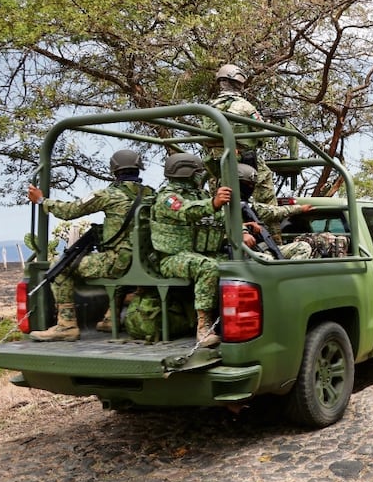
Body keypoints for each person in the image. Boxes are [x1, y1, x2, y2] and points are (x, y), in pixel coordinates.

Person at [26, 149, 154, 341]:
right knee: (116, 263)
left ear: (114, 170)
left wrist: (42, 200)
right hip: (147, 261)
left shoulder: (108, 195)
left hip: (119, 262)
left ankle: (66, 325)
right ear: (138, 169)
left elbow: (69, 211)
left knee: (61, 270)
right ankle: (111, 318)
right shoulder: (152, 194)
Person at [150, 153, 256, 348]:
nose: (201, 176)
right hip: (172, 258)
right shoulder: (167, 198)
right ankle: (204, 328)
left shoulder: (200, 195)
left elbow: (223, 218)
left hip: (200, 253)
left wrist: (240, 229)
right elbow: (186, 211)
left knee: (243, 262)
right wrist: (213, 203)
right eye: (198, 172)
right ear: (188, 173)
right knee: (208, 267)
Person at [201, 63, 277, 206]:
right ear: (237, 83)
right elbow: (263, 135)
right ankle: (272, 227)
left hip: (217, 162)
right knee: (266, 191)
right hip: (243, 160)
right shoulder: (245, 106)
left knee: (220, 199)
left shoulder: (209, 107)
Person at [235, 163, 315, 260]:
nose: (250, 188)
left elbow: (273, 211)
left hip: (262, 248)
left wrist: (299, 209)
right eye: (247, 184)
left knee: (303, 247)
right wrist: (244, 230)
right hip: (242, 253)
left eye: (252, 185)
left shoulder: (249, 206)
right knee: (268, 260)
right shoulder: (223, 206)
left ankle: (291, 274)